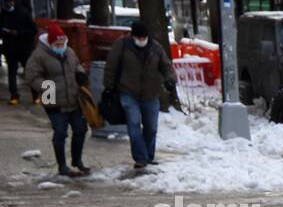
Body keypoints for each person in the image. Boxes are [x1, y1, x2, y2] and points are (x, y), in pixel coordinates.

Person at [104, 19, 177, 169]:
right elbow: (111, 66)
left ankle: (148, 156)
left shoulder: (155, 47)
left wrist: (170, 79)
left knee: (151, 127)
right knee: (134, 123)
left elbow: (166, 66)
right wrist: (109, 87)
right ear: (133, 36)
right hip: (128, 92)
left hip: (151, 93)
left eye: (144, 38)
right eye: (139, 38)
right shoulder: (122, 45)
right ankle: (140, 158)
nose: (142, 41)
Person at [24, 23, 90, 177]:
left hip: (73, 99)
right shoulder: (39, 55)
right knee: (60, 132)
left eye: (62, 43)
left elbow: (76, 66)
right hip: (52, 99)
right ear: (51, 43)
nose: (60, 46)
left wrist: (80, 74)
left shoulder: (69, 52)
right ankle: (62, 166)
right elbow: (32, 76)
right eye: (57, 44)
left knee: (81, 129)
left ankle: (77, 160)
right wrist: (47, 87)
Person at [2, 0, 37, 105]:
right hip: (10, 49)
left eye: (10, 2)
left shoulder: (23, 13)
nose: (9, 4)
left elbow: (33, 30)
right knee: (12, 73)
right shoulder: (2, 15)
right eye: (6, 2)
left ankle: (35, 95)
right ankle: (14, 96)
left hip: (24, 48)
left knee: (30, 72)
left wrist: (19, 33)